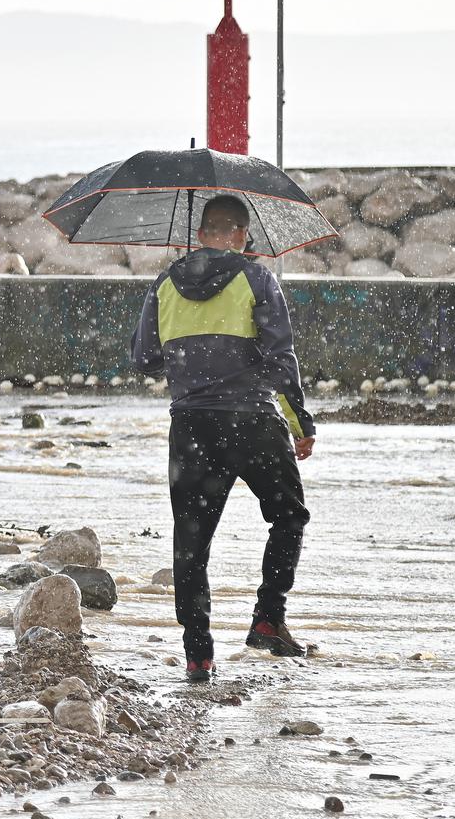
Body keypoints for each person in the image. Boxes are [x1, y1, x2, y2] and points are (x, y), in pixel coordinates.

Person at [130, 194, 316, 684]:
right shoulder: (256, 278)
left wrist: (193, 356)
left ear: (201, 233)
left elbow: (145, 358)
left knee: (191, 542)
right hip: (252, 421)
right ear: (238, 234)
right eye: (245, 235)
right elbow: (281, 358)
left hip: (191, 425)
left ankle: (198, 656)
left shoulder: (164, 284)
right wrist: (302, 425)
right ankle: (267, 618)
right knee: (289, 516)